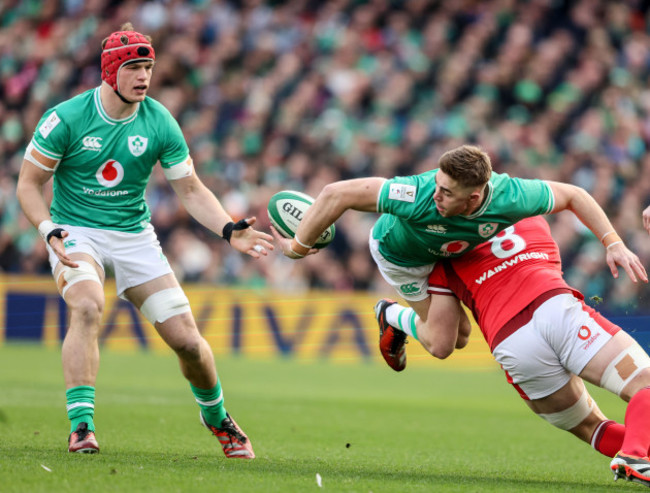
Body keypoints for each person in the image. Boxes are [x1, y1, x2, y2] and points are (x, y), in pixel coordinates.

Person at [16, 23, 272, 458]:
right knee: (87, 305)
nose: (144, 76)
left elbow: (190, 189)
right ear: (110, 71)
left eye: (148, 67)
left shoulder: (159, 121)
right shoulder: (66, 118)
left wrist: (229, 230)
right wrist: (48, 230)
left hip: (134, 236)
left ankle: (217, 417)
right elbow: (27, 184)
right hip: (75, 230)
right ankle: (82, 426)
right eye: (134, 67)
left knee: (188, 342)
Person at [374, 216, 650, 486]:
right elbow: (572, 197)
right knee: (643, 383)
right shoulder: (525, 205)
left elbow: (442, 338)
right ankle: (635, 455)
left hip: (511, 344)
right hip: (555, 310)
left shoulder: (443, 255)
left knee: (591, 427)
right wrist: (612, 240)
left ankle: (390, 314)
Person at [272, 144, 646, 327]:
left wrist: (613, 242)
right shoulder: (415, 194)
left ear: (476, 196)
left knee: (458, 338)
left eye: (447, 192)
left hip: (451, 253)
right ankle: (391, 316)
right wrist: (297, 248)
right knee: (444, 344)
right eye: (438, 184)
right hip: (402, 256)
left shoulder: (510, 197)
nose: (437, 194)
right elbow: (336, 194)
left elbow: (574, 195)